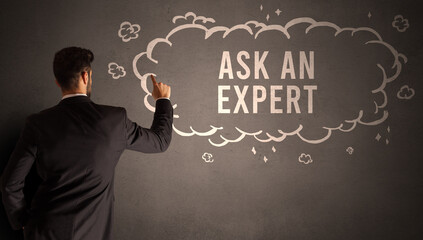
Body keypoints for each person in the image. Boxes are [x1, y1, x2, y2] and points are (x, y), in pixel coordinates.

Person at [0, 46, 173, 239]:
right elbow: (160, 141)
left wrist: (22, 222)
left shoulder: (37, 123)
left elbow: (10, 184)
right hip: (93, 233)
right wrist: (162, 100)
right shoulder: (115, 120)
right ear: (85, 76)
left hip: (43, 231)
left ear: (58, 82)